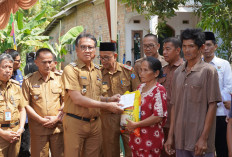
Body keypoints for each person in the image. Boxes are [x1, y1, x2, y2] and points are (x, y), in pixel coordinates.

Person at [61, 33, 124, 157]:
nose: (87, 50)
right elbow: (77, 99)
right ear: (77, 50)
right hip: (75, 122)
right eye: (83, 47)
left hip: (95, 123)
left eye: (90, 47)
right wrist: (107, 106)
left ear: (95, 50)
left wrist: (108, 99)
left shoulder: (97, 70)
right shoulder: (71, 70)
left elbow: (93, 97)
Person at [164, 28, 222, 157]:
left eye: (191, 46)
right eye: (184, 46)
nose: (187, 50)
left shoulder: (209, 71)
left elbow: (212, 106)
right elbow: (174, 106)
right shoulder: (178, 72)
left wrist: (204, 138)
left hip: (199, 142)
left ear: (200, 47)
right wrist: (170, 136)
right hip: (180, 140)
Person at [99, 42, 140, 157]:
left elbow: (138, 93)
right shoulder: (98, 74)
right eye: (101, 57)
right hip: (107, 118)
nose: (103, 60)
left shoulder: (128, 71)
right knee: (110, 151)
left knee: (131, 150)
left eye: (106, 57)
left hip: (127, 117)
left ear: (115, 56)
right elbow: (95, 97)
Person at [22, 48, 64, 157]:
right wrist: (40, 120)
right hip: (38, 129)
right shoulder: (28, 81)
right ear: (36, 62)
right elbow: (26, 105)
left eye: (50, 62)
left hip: (57, 128)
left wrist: (57, 118)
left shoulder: (60, 79)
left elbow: (66, 102)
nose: (47, 65)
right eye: (44, 62)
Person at [126, 56, 167, 157]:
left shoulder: (158, 90)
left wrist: (137, 124)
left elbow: (158, 116)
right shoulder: (140, 87)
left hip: (151, 139)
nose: (141, 73)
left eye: (145, 70)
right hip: (136, 137)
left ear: (156, 73)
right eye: (140, 70)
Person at [202, 31, 232, 157]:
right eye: (203, 45)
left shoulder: (223, 64)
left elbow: (228, 86)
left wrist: (214, 100)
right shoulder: (198, 65)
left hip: (220, 113)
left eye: (209, 45)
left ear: (215, 46)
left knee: (222, 147)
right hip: (202, 113)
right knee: (204, 147)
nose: (206, 48)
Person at [158, 37, 183, 157]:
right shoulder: (163, 70)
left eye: (168, 49)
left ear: (178, 50)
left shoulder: (185, 69)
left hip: (179, 123)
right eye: (163, 49)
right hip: (163, 122)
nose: (164, 53)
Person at [5, 49, 31, 157]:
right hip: (6, 126)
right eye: (17, 61)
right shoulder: (5, 77)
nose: (20, 63)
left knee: (24, 149)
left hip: (22, 122)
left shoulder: (19, 73)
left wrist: (21, 127)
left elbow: (22, 105)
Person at [0, 54, 26, 156]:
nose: (8, 70)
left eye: (10, 67)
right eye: (4, 67)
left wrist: (20, 129)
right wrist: (3, 133)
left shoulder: (16, 86)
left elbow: (22, 109)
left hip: (15, 134)